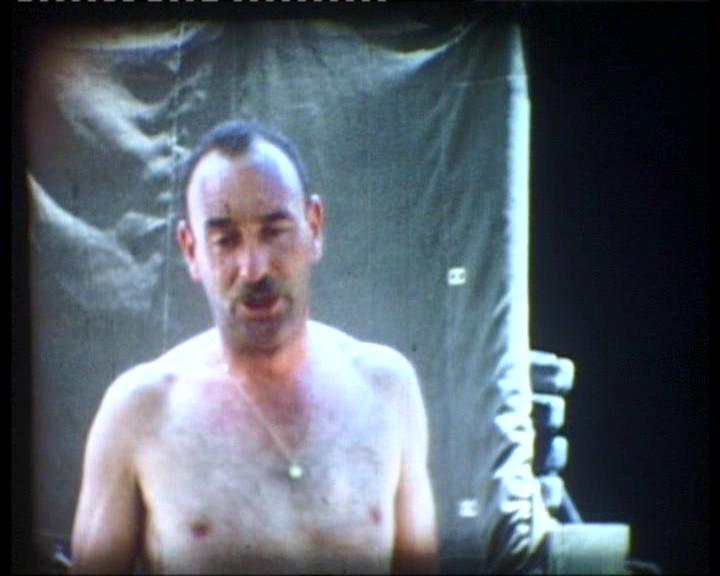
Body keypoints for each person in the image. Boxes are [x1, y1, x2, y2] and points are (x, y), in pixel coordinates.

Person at [70, 120, 439, 574]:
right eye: (225, 240)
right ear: (191, 250)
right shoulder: (140, 411)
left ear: (314, 227)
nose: (253, 268)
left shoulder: (386, 389)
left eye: (274, 231)